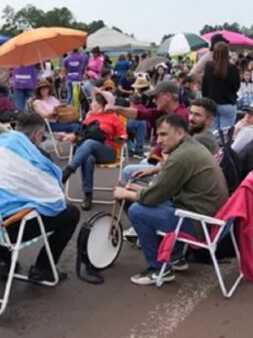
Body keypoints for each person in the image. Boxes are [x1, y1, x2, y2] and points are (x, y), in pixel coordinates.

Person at [113, 114, 227, 285]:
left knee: (137, 211)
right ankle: (175, 257)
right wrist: (143, 190)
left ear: (180, 133)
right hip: (208, 216)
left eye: (164, 135)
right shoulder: (190, 147)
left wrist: (125, 194)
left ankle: (159, 269)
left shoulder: (182, 156)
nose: (159, 140)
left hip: (202, 224)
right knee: (150, 200)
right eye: (158, 135)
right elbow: (165, 190)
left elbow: (154, 197)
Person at [0, 112, 80, 283]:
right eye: (43, 137)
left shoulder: (0, 145)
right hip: (6, 229)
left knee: (7, 201)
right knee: (70, 213)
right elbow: (53, 195)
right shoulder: (33, 156)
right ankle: (43, 269)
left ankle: (5, 261)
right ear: (36, 135)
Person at [60, 93, 127, 210]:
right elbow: (80, 134)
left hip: (107, 151)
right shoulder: (89, 117)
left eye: (93, 102)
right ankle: (88, 195)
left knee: (89, 143)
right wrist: (68, 137)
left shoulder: (113, 117)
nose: (90, 104)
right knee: (87, 158)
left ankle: (68, 170)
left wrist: (119, 138)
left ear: (101, 104)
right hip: (89, 151)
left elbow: (124, 135)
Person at [201, 43, 240, 131]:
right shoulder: (233, 68)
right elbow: (236, 86)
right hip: (228, 103)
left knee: (213, 133)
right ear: (227, 53)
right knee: (225, 135)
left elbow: (204, 86)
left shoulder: (208, 66)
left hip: (212, 103)